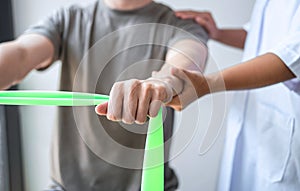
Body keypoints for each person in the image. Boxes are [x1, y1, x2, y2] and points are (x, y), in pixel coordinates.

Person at [0, 0, 208, 190]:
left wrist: (163, 82)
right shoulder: (67, 19)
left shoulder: (181, 25)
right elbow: (22, 53)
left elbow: (185, 64)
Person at [167, 1, 299, 191]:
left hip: (286, 135)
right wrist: (219, 33)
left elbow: (292, 57)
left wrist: (208, 84)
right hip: (255, 124)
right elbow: (261, 36)